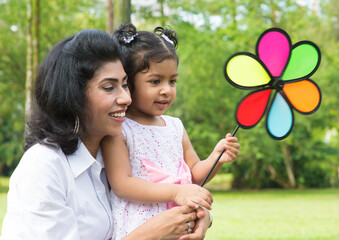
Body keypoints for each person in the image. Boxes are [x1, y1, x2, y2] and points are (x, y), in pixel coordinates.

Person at [1, 28, 211, 240]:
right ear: (73, 95)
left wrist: (200, 219)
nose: (126, 98)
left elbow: (162, 203)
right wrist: (148, 235)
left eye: (125, 84)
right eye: (109, 87)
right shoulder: (45, 166)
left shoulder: (113, 157)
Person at [102, 23, 240, 239]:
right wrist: (177, 192)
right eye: (155, 81)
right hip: (142, 225)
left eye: (172, 81)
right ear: (129, 82)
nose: (166, 89)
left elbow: (194, 173)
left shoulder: (175, 126)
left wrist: (216, 158)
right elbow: (122, 184)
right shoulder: (119, 128)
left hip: (179, 220)